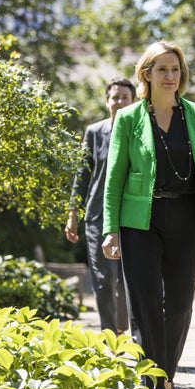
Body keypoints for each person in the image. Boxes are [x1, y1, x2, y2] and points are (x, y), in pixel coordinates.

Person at [101, 41, 195, 389]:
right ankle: (154, 384)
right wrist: (111, 229)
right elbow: (114, 179)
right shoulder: (129, 118)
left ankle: (164, 372)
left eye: (175, 69)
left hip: (186, 217)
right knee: (144, 306)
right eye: (162, 70)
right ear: (147, 75)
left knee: (178, 306)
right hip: (139, 221)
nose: (170, 76)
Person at [65, 77, 136, 335]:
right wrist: (73, 214)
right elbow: (81, 174)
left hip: (131, 215)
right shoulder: (94, 133)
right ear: (107, 102)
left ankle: (122, 327)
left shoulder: (140, 131)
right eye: (114, 97)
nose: (119, 102)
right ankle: (109, 336)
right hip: (97, 215)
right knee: (104, 279)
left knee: (126, 279)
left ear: (133, 101)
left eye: (124, 97)